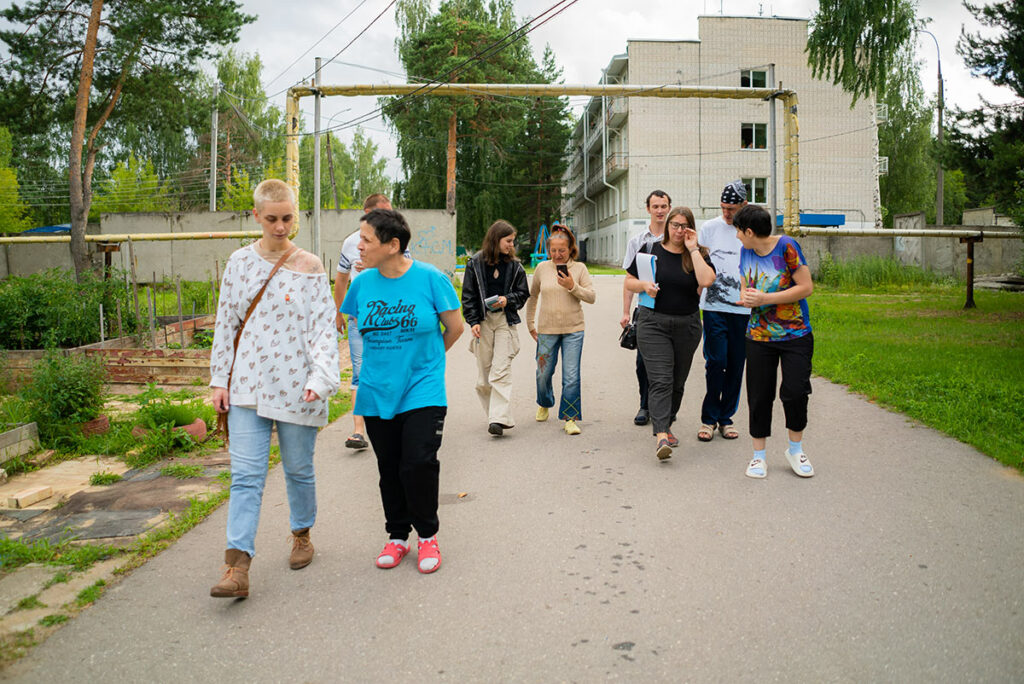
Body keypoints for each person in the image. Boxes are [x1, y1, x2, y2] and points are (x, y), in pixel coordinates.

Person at [208, 179, 340, 598]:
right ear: (256, 217)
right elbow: (226, 325)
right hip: (247, 385)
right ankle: (237, 567)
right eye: (272, 219)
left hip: (297, 387)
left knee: (298, 469)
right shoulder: (239, 264)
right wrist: (218, 380)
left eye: (288, 218)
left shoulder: (311, 266)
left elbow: (323, 329)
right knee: (245, 477)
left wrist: (321, 380)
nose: (281, 227)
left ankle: (301, 534)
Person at [340, 208, 464, 573]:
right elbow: (358, 334)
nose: (358, 246)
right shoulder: (361, 285)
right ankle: (397, 537)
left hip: (422, 390)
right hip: (377, 391)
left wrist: (428, 362)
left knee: (418, 463)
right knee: (389, 467)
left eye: (366, 240)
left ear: (393, 245)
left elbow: (454, 327)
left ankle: (427, 536)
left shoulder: (430, 279)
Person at [625, 206, 716, 461]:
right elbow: (629, 281)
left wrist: (694, 249)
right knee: (661, 380)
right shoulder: (650, 250)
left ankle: (668, 421)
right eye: (674, 225)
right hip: (653, 323)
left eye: (684, 226)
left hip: (687, 325)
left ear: (691, 228)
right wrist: (644, 285)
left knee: (677, 382)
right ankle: (661, 434)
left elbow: (707, 280)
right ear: (667, 226)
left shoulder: (698, 254)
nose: (678, 230)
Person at [733, 204, 815, 480]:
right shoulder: (746, 251)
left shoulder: (787, 247)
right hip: (758, 337)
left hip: (795, 335)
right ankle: (759, 456)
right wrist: (745, 297)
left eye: (738, 232)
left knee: (794, 392)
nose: (737, 237)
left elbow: (806, 287)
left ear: (750, 231)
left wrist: (765, 299)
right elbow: (746, 285)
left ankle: (795, 449)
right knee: (759, 395)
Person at [333, 193, 393, 452]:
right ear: (367, 214)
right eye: (384, 212)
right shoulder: (350, 243)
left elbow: (406, 273)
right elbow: (341, 279)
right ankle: (358, 431)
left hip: (392, 319)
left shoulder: (395, 241)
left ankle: (391, 421)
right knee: (360, 371)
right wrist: (338, 312)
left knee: (388, 370)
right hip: (359, 320)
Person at [461, 220, 530, 437]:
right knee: (484, 377)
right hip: (482, 321)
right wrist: (472, 322)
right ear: (496, 239)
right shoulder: (474, 263)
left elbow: (522, 294)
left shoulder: (515, 266)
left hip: (503, 321)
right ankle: (494, 414)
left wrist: (506, 300)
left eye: (513, 241)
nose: (512, 245)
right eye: (508, 241)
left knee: (500, 370)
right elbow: (468, 296)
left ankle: (498, 419)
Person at [525, 224, 596, 436]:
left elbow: (592, 297)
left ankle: (570, 417)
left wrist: (572, 286)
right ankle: (545, 401)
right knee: (543, 374)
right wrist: (530, 324)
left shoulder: (580, 269)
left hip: (574, 329)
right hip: (547, 329)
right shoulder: (541, 269)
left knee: (571, 376)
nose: (557, 255)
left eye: (562, 251)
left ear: (570, 249)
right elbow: (533, 296)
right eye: (553, 251)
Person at [697, 180, 751, 443]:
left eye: (732, 208)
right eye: (723, 208)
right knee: (716, 362)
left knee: (736, 364)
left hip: (743, 309)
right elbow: (700, 263)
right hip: (714, 306)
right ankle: (709, 418)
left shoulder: (749, 231)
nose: (727, 213)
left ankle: (726, 418)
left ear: (744, 205)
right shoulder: (709, 229)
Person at [621, 190, 671, 427]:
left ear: (669, 208)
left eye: (663, 206)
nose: (660, 211)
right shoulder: (638, 240)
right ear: (648, 209)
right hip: (645, 308)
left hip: (672, 309)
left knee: (671, 362)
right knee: (643, 362)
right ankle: (644, 404)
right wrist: (625, 312)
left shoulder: (676, 238)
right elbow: (629, 279)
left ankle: (665, 406)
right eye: (655, 206)